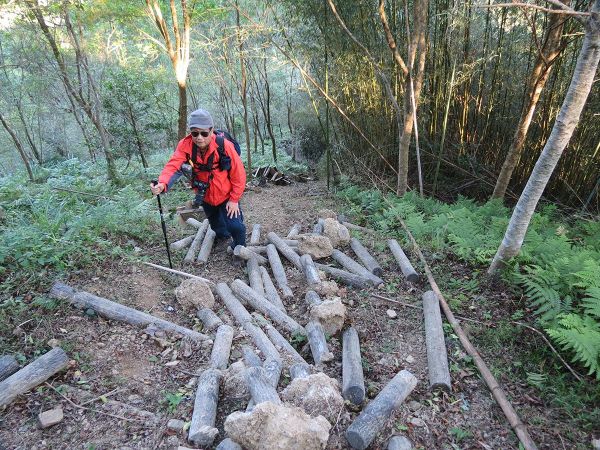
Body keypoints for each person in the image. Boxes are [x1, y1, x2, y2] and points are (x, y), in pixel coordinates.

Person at [150, 108, 246, 250]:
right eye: (194, 133)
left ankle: (240, 247)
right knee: (215, 223)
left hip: (226, 194)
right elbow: (173, 165)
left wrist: (234, 200)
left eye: (204, 133)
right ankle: (223, 237)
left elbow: (239, 174)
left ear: (211, 130)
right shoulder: (186, 144)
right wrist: (162, 184)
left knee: (236, 226)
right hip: (205, 194)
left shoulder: (224, 145)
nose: (199, 137)